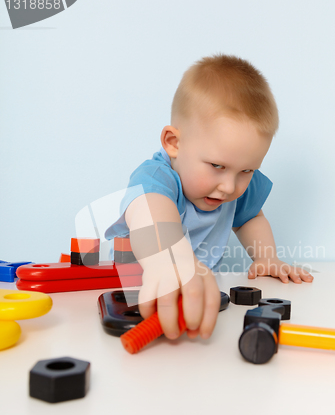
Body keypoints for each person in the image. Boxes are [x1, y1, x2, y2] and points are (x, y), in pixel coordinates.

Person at [105, 54, 313, 342]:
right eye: (217, 166)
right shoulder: (156, 178)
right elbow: (149, 212)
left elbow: (250, 216)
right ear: (173, 143)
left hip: (194, 297)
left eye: (247, 170)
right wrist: (170, 258)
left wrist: (267, 257)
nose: (229, 186)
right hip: (134, 293)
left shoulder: (234, 183)